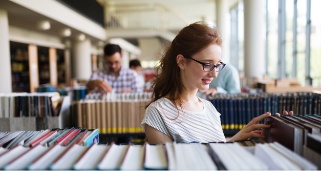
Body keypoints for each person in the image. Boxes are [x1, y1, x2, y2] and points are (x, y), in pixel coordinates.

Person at [141, 22, 292, 144]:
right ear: (181, 61)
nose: (214, 73)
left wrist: (238, 139)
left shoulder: (209, 109)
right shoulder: (157, 114)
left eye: (218, 65)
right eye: (207, 64)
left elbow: (214, 156)